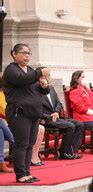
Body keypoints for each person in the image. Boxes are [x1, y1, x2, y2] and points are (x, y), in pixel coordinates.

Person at [2, 43, 50, 183]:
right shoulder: (11, 70)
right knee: (21, 144)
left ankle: (27, 172)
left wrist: (44, 87)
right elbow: (22, 80)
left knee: (30, 144)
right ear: (14, 54)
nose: (27, 56)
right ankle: (20, 174)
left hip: (34, 113)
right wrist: (40, 72)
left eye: (29, 53)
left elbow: (39, 90)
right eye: (23, 53)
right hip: (19, 112)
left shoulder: (30, 70)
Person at [41, 79, 84, 160]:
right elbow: (36, 109)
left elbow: (58, 103)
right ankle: (64, 152)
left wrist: (57, 112)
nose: (45, 80)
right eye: (43, 78)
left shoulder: (51, 88)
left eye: (47, 77)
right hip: (46, 119)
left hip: (57, 117)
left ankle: (72, 151)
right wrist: (49, 116)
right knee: (70, 126)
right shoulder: (36, 92)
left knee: (79, 124)